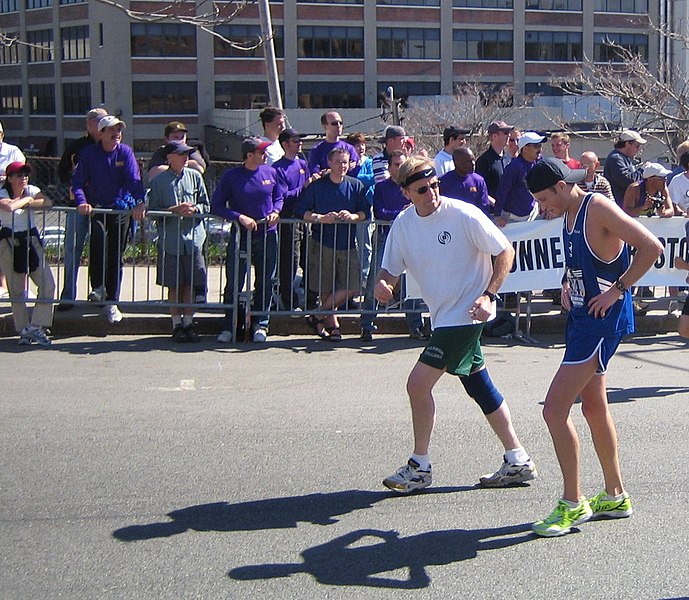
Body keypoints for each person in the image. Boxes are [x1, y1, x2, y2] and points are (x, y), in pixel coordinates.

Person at [375, 156, 536, 493]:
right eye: (422, 189)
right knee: (479, 386)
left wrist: (489, 295)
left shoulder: (462, 214)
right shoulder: (404, 224)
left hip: (466, 316)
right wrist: (384, 284)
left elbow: (505, 251)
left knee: (417, 385)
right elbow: (390, 270)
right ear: (406, 193)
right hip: (443, 318)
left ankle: (419, 466)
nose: (431, 193)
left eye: (434, 185)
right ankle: (517, 458)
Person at [526, 158, 663, 537]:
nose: (542, 207)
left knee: (554, 410)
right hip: (583, 318)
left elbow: (651, 247)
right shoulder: (567, 214)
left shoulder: (597, 206)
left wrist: (618, 290)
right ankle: (615, 495)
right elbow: (586, 262)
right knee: (594, 407)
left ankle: (573, 502)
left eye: (543, 199)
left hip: (601, 322)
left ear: (559, 186)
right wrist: (569, 285)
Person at [71, 115, 145, 324]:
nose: (116, 134)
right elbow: (77, 183)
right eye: (112, 130)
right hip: (97, 209)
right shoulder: (89, 154)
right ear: (101, 133)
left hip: (120, 209)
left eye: (119, 130)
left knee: (115, 254)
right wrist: (82, 202)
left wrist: (140, 202)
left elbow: (133, 179)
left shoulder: (125, 152)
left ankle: (112, 300)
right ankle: (98, 288)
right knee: (97, 243)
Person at [212, 137, 281, 344]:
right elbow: (217, 205)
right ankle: (229, 325)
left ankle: (261, 324)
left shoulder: (271, 172)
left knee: (266, 281)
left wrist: (276, 211)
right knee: (234, 282)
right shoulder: (231, 176)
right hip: (241, 236)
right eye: (260, 152)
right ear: (249, 155)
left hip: (268, 234)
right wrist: (238, 217)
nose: (264, 155)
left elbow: (279, 196)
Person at [295, 148, 368, 342]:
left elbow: (364, 213)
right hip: (322, 242)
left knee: (353, 285)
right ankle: (332, 325)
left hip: (348, 243)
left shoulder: (356, 185)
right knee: (325, 287)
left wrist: (352, 216)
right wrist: (320, 218)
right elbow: (301, 211)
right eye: (338, 162)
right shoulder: (317, 186)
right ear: (329, 162)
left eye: (345, 162)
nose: (341, 166)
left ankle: (317, 315)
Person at [145, 141, 209, 342]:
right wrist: (173, 210)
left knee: (190, 284)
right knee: (173, 285)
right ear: (169, 157)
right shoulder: (158, 181)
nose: (185, 157)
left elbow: (206, 205)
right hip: (170, 241)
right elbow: (152, 212)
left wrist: (195, 210)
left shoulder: (195, 176)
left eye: (187, 154)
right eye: (180, 154)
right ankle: (176, 325)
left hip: (193, 240)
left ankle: (189, 323)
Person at [359, 150, 427, 341]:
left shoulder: (414, 186)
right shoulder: (381, 187)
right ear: (389, 167)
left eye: (403, 164)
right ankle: (366, 325)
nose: (399, 168)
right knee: (377, 281)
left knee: (410, 286)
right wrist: (403, 212)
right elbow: (381, 212)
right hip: (385, 239)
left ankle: (416, 326)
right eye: (396, 164)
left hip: (411, 240)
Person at [55, 107, 108, 311]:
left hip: (101, 206)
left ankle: (98, 292)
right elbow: (62, 171)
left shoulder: (110, 144)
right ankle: (68, 294)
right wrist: (70, 184)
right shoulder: (77, 147)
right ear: (90, 124)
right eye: (100, 121)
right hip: (77, 205)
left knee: (100, 249)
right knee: (72, 249)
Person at [0, 162, 55, 345]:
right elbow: (8, 207)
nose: (23, 178)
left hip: (31, 241)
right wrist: (27, 201)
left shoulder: (31, 189)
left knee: (47, 283)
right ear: (9, 178)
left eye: (25, 174)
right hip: (9, 242)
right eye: (18, 175)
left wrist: (27, 200)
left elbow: (47, 202)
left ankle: (36, 326)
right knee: (16, 290)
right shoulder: (2, 192)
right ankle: (23, 329)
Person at [273, 128, 316, 309]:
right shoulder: (277, 168)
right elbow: (282, 196)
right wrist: (305, 186)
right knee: (290, 261)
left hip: (303, 219)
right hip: (288, 220)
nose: (299, 143)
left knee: (309, 259)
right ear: (285, 144)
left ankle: (307, 298)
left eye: (300, 140)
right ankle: (287, 299)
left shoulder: (302, 164)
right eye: (295, 140)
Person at [494, 131, 546, 227]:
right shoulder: (514, 167)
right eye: (536, 146)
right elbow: (502, 191)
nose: (540, 149)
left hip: (533, 214)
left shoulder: (540, 162)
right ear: (525, 149)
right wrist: (497, 215)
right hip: (512, 218)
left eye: (540, 146)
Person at [0, 120, 27, 295]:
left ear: (2, 135)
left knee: (18, 248)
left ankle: (21, 290)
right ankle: (1, 286)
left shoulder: (12, 151)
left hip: (11, 203)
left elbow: (19, 175)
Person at [439, 147, 491, 217]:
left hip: (473, 223)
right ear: (457, 162)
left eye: (473, 159)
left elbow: (484, 208)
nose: (473, 163)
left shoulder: (478, 181)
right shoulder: (444, 181)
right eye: (468, 161)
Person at [308, 111, 360, 176]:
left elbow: (354, 172)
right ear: (325, 126)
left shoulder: (350, 149)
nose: (338, 126)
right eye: (334, 123)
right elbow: (316, 174)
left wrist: (329, 171)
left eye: (340, 123)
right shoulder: (317, 150)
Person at [603, 130, 646, 207]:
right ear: (627, 144)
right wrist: (642, 170)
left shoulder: (624, 158)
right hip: (617, 206)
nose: (638, 149)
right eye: (637, 146)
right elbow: (627, 180)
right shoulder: (616, 159)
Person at [475, 120, 514, 201]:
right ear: (494, 136)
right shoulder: (483, 161)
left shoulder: (509, 158)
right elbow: (479, 187)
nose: (509, 135)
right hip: (492, 211)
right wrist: (494, 203)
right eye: (505, 133)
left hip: (510, 209)